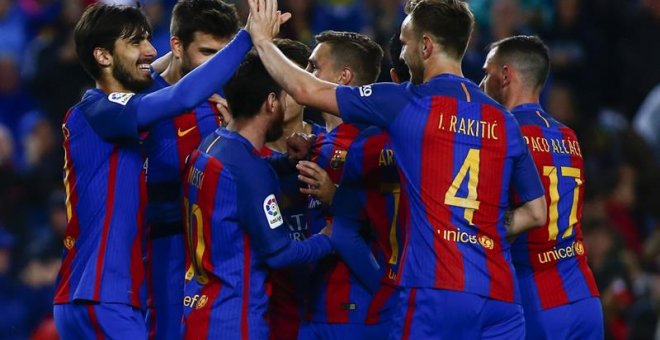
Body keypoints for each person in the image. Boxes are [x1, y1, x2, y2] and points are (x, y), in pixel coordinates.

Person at [247, 0, 547, 338]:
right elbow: (536, 211)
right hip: (501, 297)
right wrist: (477, 232)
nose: (401, 55)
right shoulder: (504, 120)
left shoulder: (405, 102)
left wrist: (262, 41)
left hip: (433, 291)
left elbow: (306, 89)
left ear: (426, 46)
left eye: (404, 43)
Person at [54, 3, 254, 338]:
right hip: (103, 298)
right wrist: (249, 38)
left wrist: (156, 63)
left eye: (148, 40)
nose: (149, 50)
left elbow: (153, 82)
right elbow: (181, 96)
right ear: (103, 56)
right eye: (135, 42)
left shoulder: (108, 115)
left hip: (88, 297)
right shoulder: (100, 111)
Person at [180, 45, 334, 340]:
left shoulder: (210, 145)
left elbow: (239, 178)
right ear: (271, 102)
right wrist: (329, 238)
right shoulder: (251, 171)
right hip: (233, 320)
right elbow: (280, 253)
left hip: (198, 310)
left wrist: (285, 163)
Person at [480, 35, 602, 340]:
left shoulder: (502, 133)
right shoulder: (569, 136)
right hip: (585, 296)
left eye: (486, 72)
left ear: (506, 75)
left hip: (535, 297)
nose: (481, 83)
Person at [140, 1, 240, 337]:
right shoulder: (140, 98)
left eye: (225, 54)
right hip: (163, 251)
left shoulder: (232, 99)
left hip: (223, 252)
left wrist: (234, 142)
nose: (219, 66)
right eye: (208, 52)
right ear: (177, 46)